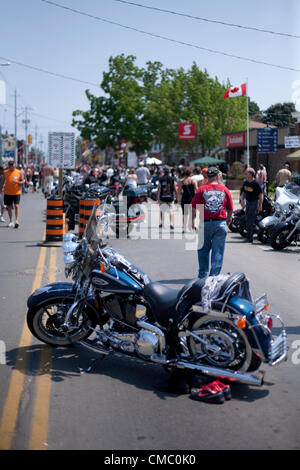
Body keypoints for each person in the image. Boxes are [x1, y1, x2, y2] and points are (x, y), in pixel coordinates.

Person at [191, 166, 233, 279]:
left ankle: (203, 275)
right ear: (218, 176)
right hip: (220, 223)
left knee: (203, 250)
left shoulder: (201, 189)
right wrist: (228, 219)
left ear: (207, 176)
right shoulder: (224, 189)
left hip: (205, 223)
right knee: (218, 252)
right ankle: (214, 277)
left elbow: (193, 207)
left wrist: (192, 221)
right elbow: (230, 208)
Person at [240, 168, 263, 243]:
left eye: (247, 173)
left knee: (250, 220)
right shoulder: (246, 182)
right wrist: (242, 201)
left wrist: (260, 205)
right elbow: (243, 192)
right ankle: (249, 236)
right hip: (248, 203)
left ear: (251, 174)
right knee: (247, 219)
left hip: (254, 203)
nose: (245, 174)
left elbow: (260, 194)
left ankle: (249, 238)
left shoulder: (255, 183)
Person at [0, 160, 25, 228]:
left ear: (14, 165)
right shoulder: (5, 172)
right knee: (9, 207)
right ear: (8, 166)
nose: (11, 166)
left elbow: (23, 181)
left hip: (16, 192)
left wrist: (18, 182)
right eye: (10, 165)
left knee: (16, 206)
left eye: (12, 165)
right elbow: (2, 182)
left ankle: (16, 221)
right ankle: (11, 221)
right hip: (8, 192)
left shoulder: (19, 172)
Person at [157, 165, 177, 229]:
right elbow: (175, 188)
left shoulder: (161, 178)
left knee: (162, 210)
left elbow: (159, 188)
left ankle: (161, 223)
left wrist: (157, 198)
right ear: (169, 172)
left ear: (163, 171)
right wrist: (177, 196)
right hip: (170, 197)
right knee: (171, 210)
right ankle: (171, 223)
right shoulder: (172, 178)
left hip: (162, 197)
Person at [178, 168, 197, 232]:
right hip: (192, 199)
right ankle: (193, 225)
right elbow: (197, 190)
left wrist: (178, 200)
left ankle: (184, 228)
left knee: (185, 214)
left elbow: (179, 192)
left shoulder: (181, 181)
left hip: (184, 199)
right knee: (193, 213)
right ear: (190, 173)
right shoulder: (193, 181)